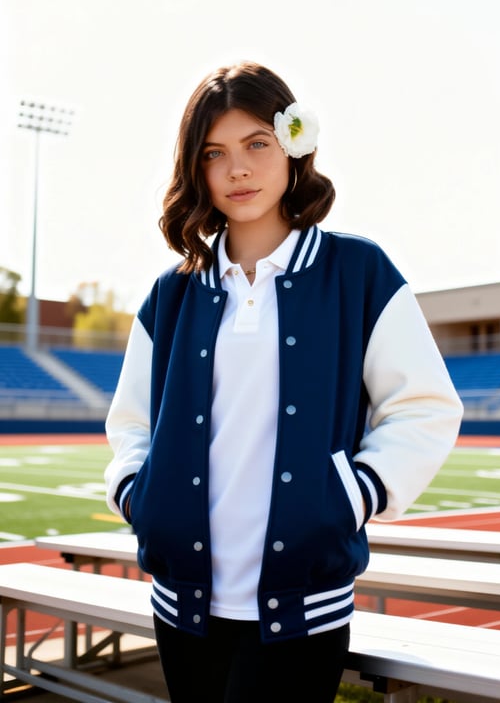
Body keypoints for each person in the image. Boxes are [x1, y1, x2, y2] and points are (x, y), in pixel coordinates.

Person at [104, 60, 463, 703]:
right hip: (182, 598)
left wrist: (352, 495)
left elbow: (425, 406)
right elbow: (132, 422)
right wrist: (139, 495)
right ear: (196, 168)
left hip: (303, 603)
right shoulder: (173, 294)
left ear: (293, 148)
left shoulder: (357, 270)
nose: (238, 169)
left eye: (256, 144)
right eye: (215, 153)